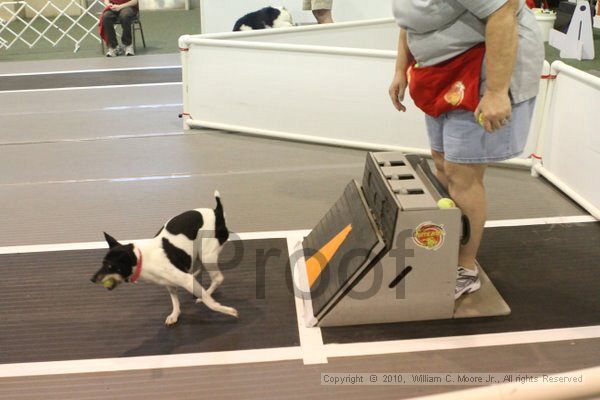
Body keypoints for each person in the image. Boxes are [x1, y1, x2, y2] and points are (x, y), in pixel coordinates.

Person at [388, 0, 543, 299]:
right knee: (443, 163)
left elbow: (502, 12)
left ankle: (465, 268)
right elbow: (408, 22)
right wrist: (399, 69)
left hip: (481, 68)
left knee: (463, 172)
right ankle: (448, 247)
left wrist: (496, 92)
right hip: (439, 72)